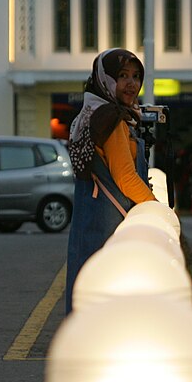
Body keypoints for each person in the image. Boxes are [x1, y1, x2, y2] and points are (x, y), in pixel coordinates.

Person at [64, 48, 155, 312]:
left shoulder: (94, 112)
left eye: (136, 76)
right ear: (106, 79)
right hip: (107, 220)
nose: (131, 84)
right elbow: (125, 177)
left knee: (87, 279)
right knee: (105, 287)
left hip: (91, 215)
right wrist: (156, 207)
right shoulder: (112, 119)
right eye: (122, 75)